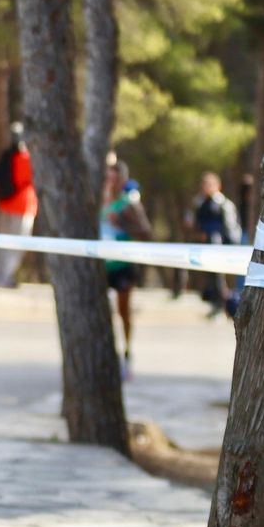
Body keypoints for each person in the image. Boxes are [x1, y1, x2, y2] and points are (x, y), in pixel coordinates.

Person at [103, 158, 152, 375]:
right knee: (102, 313)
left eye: (115, 179)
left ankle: (127, 353)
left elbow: (146, 233)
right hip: (103, 265)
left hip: (123, 264)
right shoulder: (99, 204)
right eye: (108, 179)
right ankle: (106, 357)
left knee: (123, 312)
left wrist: (121, 223)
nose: (111, 183)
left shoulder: (129, 204)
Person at [186, 171, 241, 319]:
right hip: (205, 247)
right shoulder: (200, 203)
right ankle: (216, 306)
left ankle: (226, 308)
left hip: (219, 248)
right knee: (211, 278)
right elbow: (195, 224)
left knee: (220, 279)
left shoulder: (223, 204)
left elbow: (230, 228)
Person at [0, 123, 35, 288]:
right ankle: (5, 277)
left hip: (5, 205)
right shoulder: (26, 158)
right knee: (18, 243)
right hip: (22, 207)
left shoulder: (5, 156)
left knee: (3, 243)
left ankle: (1, 275)